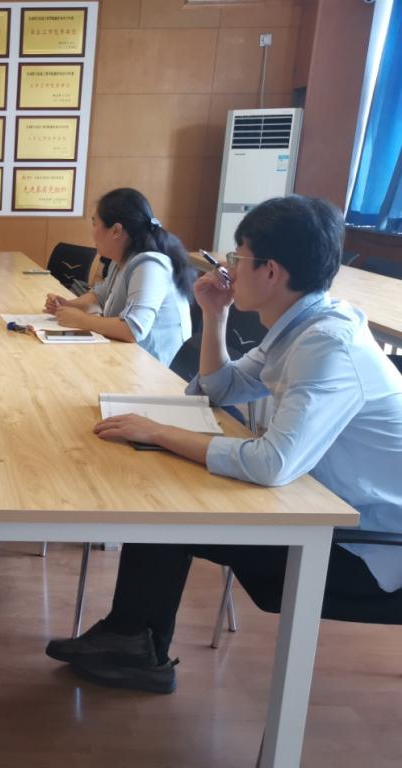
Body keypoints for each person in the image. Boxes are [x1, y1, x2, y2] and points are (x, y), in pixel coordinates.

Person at [46, 196, 402, 694]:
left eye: (237, 256)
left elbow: (272, 463)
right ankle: (132, 640)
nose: (228, 267)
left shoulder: (327, 345)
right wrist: (214, 316)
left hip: (365, 547)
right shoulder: (302, 325)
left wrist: (158, 432)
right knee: (167, 498)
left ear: (271, 271)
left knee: (171, 508)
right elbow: (220, 389)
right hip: (319, 502)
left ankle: (135, 645)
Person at [44, 188, 193, 366]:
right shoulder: (122, 259)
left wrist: (82, 320)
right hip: (127, 358)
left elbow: (132, 329)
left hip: (153, 368)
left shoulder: (149, 266)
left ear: (116, 230)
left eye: (94, 223)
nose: (92, 231)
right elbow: (99, 297)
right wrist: (67, 306)